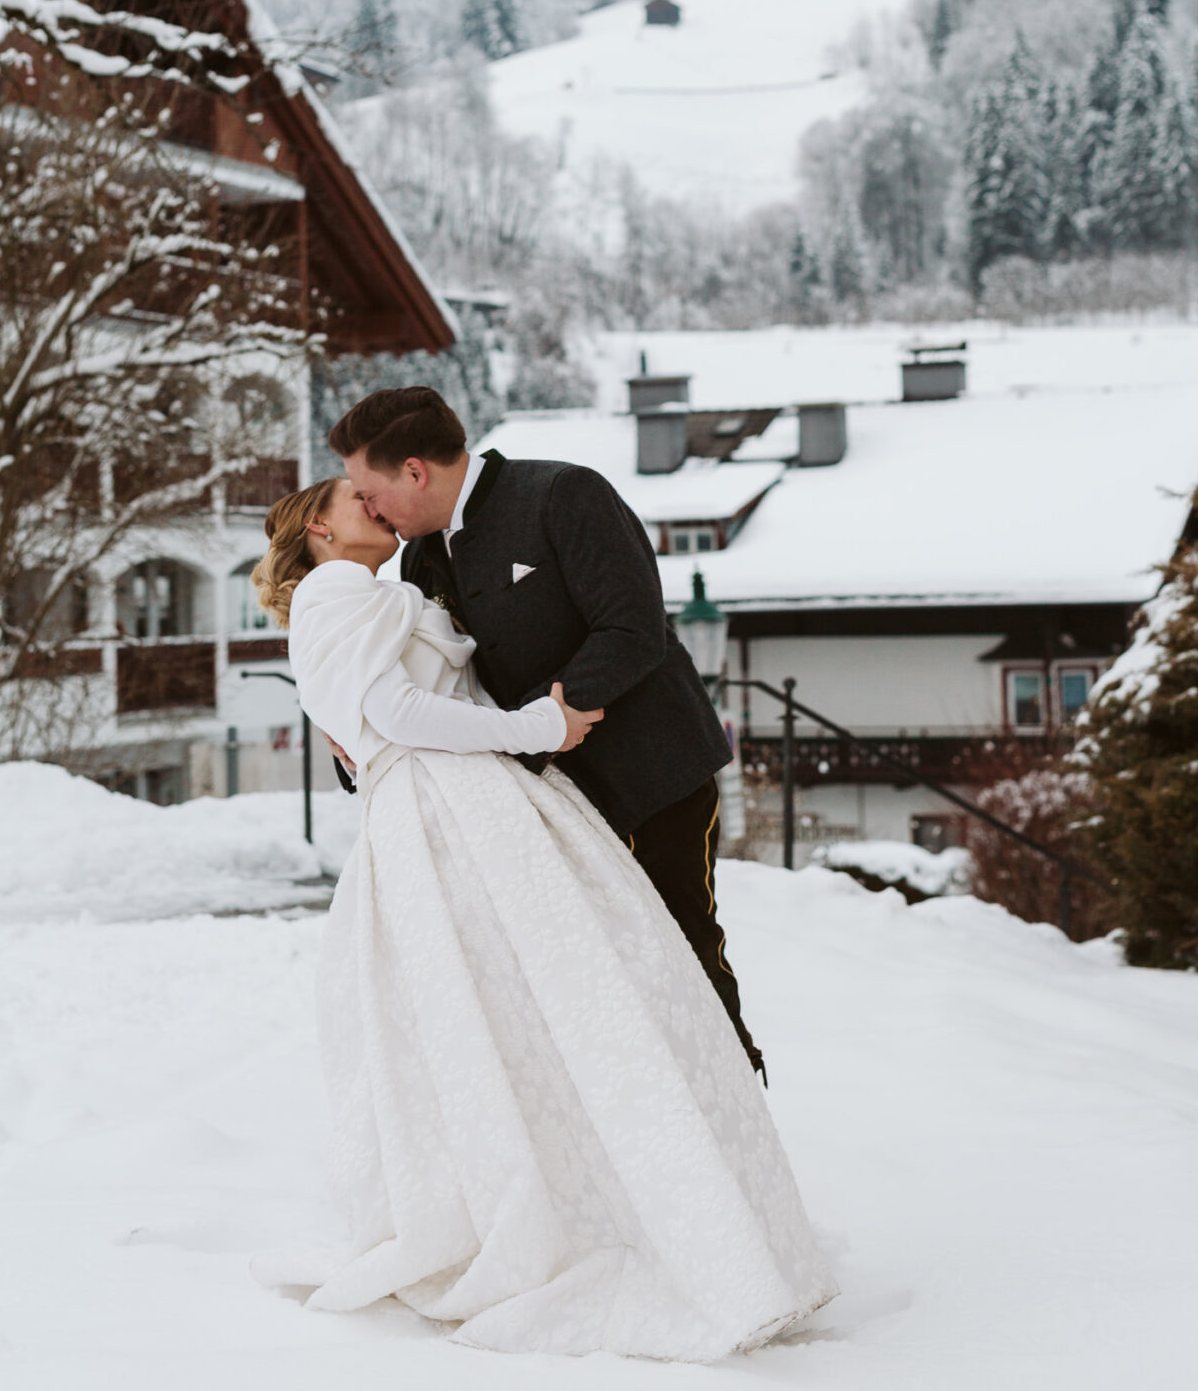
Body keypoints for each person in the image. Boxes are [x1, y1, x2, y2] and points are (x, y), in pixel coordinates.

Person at [249, 478, 836, 1361]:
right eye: (350, 496)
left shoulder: (391, 580)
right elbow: (390, 713)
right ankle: (636, 1207)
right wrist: (536, 728)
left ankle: (609, 1201)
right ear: (317, 530)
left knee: (537, 1005)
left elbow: (390, 705)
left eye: (374, 486)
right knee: (575, 990)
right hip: (450, 807)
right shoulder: (336, 588)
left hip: (479, 798)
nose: (371, 500)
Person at [328, 385, 766, 1073]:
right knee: (591, 974)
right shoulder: (418, 561)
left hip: (653, 781)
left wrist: (532, 724)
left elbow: (631, 629)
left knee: (681, 950)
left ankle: (731, 1095)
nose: (368, 508)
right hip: (543, 808)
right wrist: (360, 742)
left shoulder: (562, 494)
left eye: (369, 491)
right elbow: (431, 689)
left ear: (414, 471)